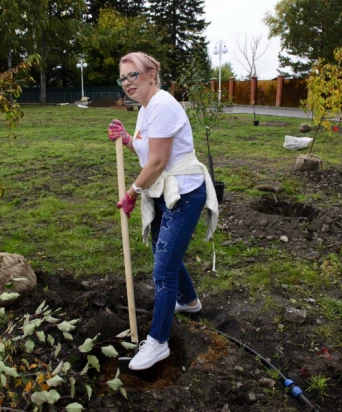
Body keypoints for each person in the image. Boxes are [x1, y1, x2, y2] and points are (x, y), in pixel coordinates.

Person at [107, 52, 219, 370]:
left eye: (133, 75)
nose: (128, 83)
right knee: (164, 253)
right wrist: (127, 139)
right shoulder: (146, 109)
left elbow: (157, 162)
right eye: (123, 77)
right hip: (165, 191)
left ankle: (158, 344)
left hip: (183, 195)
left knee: (163, 269)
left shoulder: (163, 105)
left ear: (151, 74)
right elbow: (147, 150)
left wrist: (131, 194)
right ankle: (189, 301)